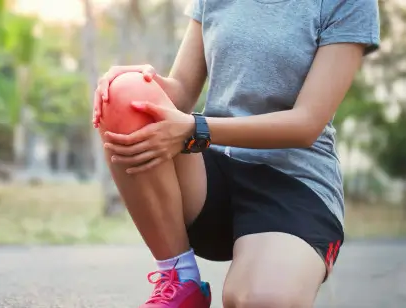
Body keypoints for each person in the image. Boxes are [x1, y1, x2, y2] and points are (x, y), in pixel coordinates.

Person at [91, 0, 380, 307]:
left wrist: (194, 129)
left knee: (260, 300)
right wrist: (139, 83)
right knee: (125, 93)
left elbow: (306, 123)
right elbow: (181, 92)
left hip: (295, 183)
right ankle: (180, 279)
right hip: (209, 175)